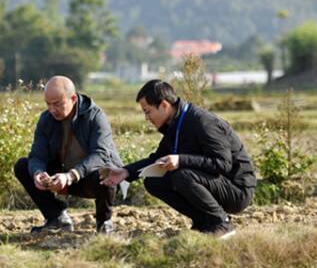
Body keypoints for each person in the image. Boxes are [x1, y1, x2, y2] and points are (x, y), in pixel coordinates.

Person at [101, 79, 255, 239]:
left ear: (164, 105)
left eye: (148, 111)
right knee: (153, 182)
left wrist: (181, 160)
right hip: (215, 183)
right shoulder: (174, 126)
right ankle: (203, 222)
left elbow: (223, 163)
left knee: (182, 175)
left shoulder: (202, 122)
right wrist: (126, 172)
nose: (147, 118)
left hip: (237, 189)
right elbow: (156, 159)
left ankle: (221, 223)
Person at [14, 75, 127, 234]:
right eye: (48, 104)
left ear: (73, 98)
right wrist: (38, 173)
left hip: (89, 177)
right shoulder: (46, 119)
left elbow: (100, 154)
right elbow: (37, 155)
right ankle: (56, 217)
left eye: (58, 104)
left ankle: (104, 222)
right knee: (23, 166)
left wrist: (71, 175)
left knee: (106, 172)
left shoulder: (95, 116)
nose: (52, 110)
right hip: (61, 176)